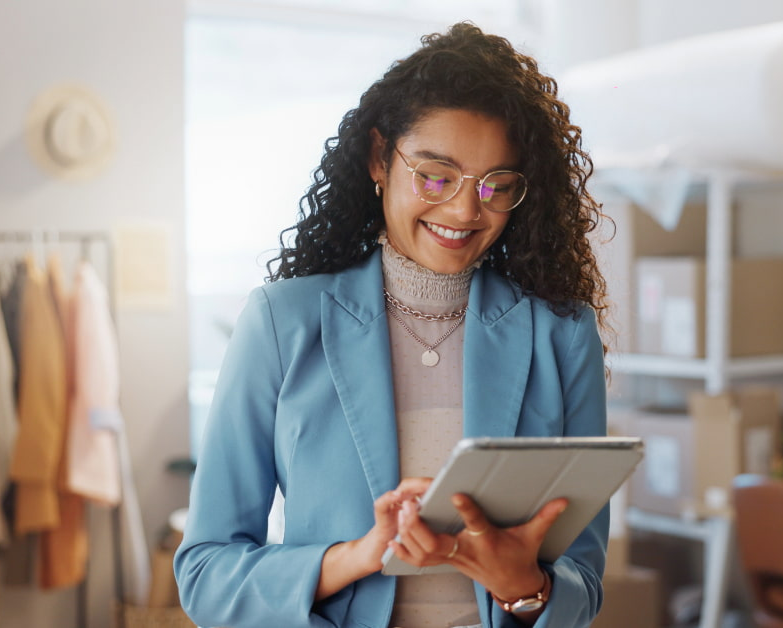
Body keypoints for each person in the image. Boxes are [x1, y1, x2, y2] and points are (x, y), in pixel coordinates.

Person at [174, 22, 611, 628]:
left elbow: (584, 581)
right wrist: (357, 557)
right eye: (435, 174)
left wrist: (523, 588)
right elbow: (206, 572)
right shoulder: (281, 323)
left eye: (496, 185)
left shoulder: (561, 334)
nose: (464, 209)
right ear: (380, 158)